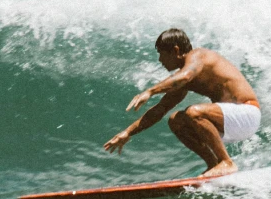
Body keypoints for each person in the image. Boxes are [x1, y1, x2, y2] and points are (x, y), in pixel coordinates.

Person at [104, 28, 261, 177]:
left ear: (176, 51)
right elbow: (160, 109)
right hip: (231, 123)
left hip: (247, 113)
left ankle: (226, 162)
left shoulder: (199, 56)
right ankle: (213, 164)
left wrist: (150, 91)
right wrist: (127, 133)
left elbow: (185, 76)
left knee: (194, 112)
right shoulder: (184, 79)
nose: (160, 60)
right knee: (176, 120)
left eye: (162, 54)